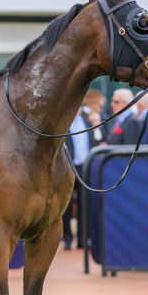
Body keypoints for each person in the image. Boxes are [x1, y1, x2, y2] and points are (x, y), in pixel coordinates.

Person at [62, 106, 98, 250]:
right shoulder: (64, 123)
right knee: (67, 205)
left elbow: (96, 140)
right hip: (68, 168)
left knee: (85, 203)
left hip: (85, 167)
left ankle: (84, 238)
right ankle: (68, 238)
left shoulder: (88, 123)